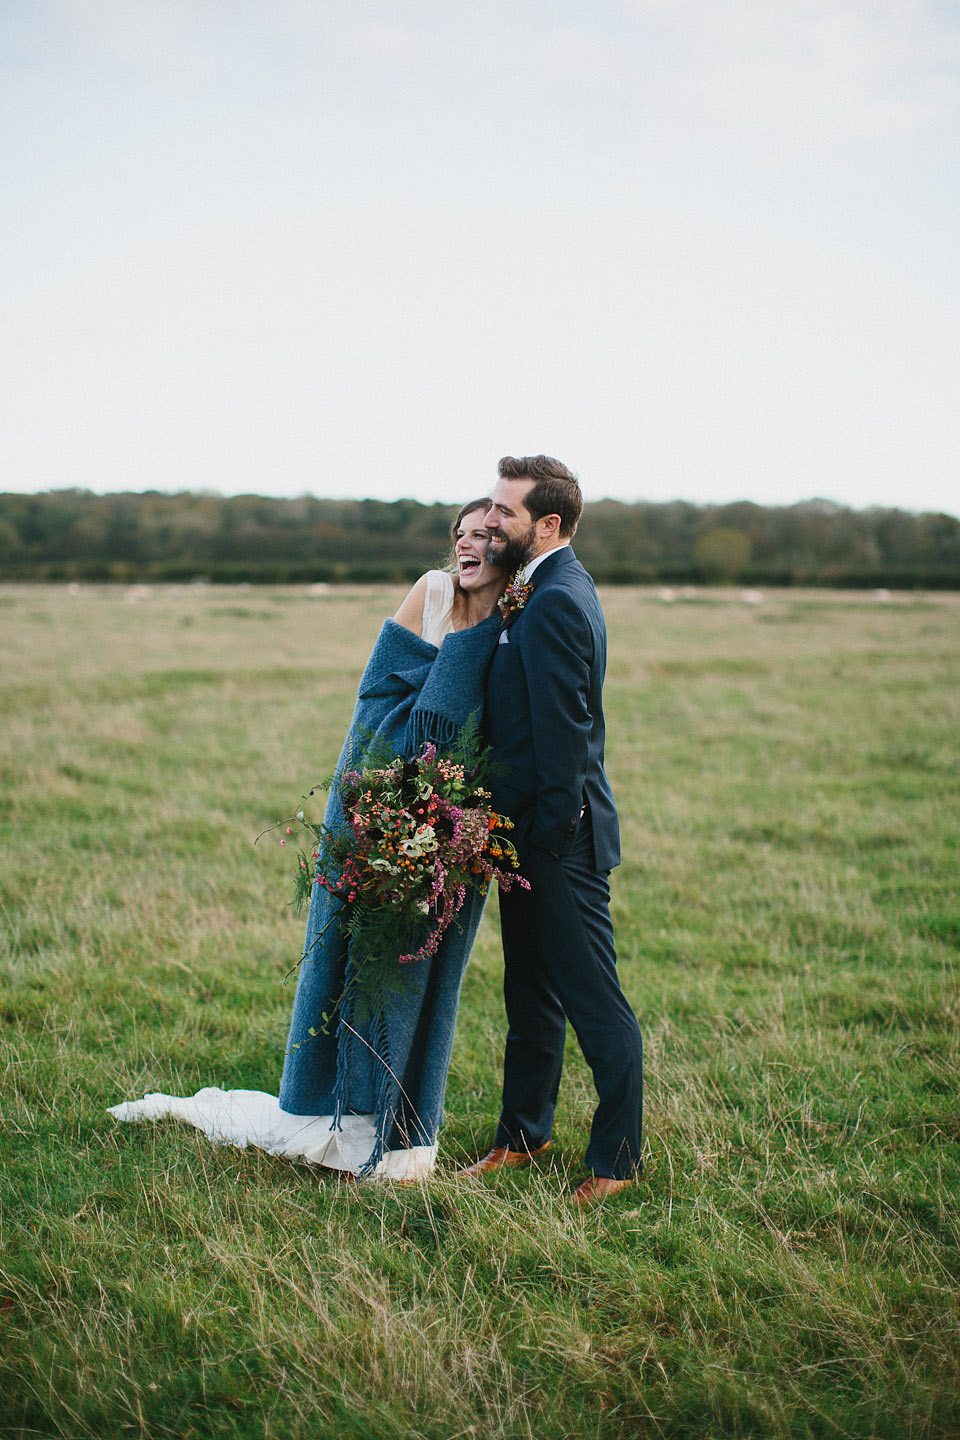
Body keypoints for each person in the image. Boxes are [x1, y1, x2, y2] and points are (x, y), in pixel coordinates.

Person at [110, 501, 508, 1180]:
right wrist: (467, 641)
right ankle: (343, 1121)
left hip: (456, 836)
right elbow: (380, 704)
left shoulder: (517, 620)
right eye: (461, 534)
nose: (468, 544)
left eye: (487, 535)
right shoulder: (434, 593)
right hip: (380, 817)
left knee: (429, 972)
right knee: (363, 967)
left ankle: (406, 1133)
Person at [460, 456, 644, 1206]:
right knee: (529, 1001)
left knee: (595, 1004)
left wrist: (542, 836)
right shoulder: (535, 590)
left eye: (504, 511)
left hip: (557, 844)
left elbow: (568, 735)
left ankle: (618, 1162)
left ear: (548, 525)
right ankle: (522, 1137)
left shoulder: (560, 597)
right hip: (523, 836)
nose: (491, 521)